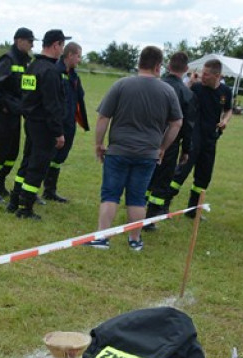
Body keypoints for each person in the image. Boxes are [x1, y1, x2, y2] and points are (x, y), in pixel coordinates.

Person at [86, 45, 182, 250]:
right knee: (137, 198)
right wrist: (162, 147)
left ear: (140, 62)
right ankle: (135, 240)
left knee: (110, 194)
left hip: (118, 151)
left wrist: (99, 143)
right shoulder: (167, 90)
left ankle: (102, 238)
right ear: (158, 66)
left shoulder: (121, 85)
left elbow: (104, 117)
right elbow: (177, 123)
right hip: (148, 154)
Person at [152, 58, 232, 216]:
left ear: (218, 76)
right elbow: (181, 95)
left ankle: (193, 209)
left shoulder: (225, 92)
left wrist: (225, 120)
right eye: (203, 72)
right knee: (180, 173)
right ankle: (164, 204)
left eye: (207, 74)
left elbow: (228, 109)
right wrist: (190, 83)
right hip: (195, 136)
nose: (203, 76)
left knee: (204, 176)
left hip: (211, 139)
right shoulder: (196, 88)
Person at [5, 29, 70, 220]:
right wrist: (58, 132)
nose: (62, 51)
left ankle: (14, 200)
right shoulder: (50, 71)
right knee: (38, 166)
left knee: (26, 163)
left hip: (31, 122)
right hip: (44, 126)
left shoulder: (32, 66)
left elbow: (27, 97)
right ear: (56, 45)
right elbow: (52, 105)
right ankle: (25, 208)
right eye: (62, 46)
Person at [0, 28, 35, 202]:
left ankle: (0, 184)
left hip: (16, 114)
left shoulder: (24, 62)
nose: (31, 45)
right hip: (5, 115)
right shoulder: (8, 59)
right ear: (18, 41)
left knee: (12, 152)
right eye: (29, 41)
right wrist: (5, 106)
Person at [145, 50, 195, 220]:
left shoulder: (155, 85)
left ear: (168, 65)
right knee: (162, 181)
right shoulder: (186, 93)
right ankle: (151, 217)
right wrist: (186, 150)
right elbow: (188, 125)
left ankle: (135, 209)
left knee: (145, 175)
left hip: (149, 137)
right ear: (187, 68)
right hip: (170, 142)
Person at [42, 41, 89, 203]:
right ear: (70, 55)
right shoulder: (55, 72)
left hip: (69, 124)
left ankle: (50, 190)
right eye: (78, 56)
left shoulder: (75, 76)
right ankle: (31, 190)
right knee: (45, 157)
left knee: (59, 159)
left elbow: (78, 99)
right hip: (56, 124)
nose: (79, 60)